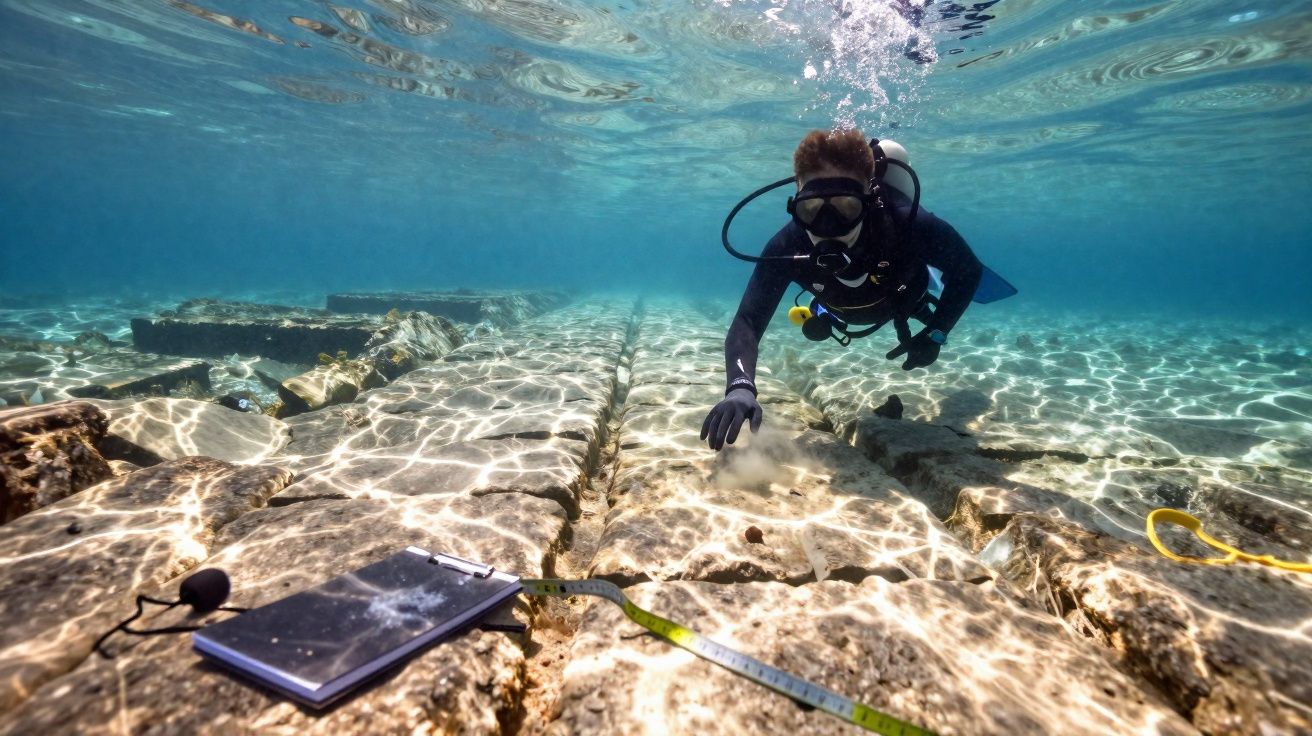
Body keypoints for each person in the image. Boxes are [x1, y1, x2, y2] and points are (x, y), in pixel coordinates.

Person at [701, 128, 985, 451]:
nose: (828, 226)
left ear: (869, 195)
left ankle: (912, 309)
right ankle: (823, 310)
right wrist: (740, 386)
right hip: (838, 304)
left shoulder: (908, 224)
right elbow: (748, 321)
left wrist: (937, 331)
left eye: (845, 208)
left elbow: (968, 270)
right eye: (812, 210)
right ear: (796, 200)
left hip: (905, 296)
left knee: (910, 296)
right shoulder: (788, 245)